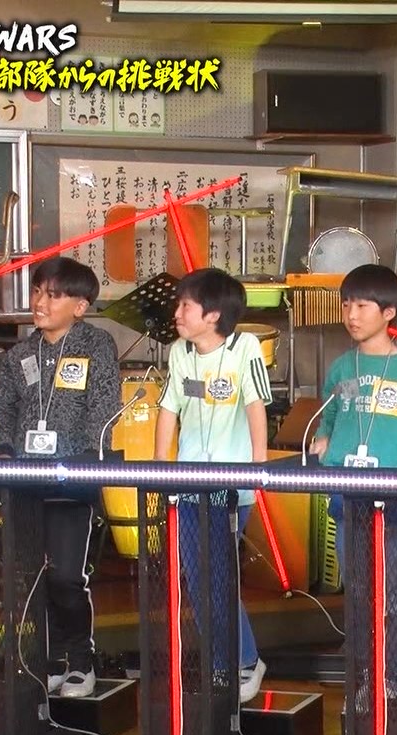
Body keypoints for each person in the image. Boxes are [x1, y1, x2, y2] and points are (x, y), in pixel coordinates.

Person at [0, 256, 120, 698]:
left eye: (53, 295)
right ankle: (45, 659)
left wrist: (87, 457)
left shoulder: (96, 346)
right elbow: (5, 409)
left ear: (80, 306)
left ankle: (80, 660)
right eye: (37, 292)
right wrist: (3, 450)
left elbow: (104, 406)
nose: (40, 302)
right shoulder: (20, 354)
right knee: (31, 576)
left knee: (66, 575)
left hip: (72, 480)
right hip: (26, 479)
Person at [155, 268, 270, 703]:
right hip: (188, 485)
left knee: (219, 575)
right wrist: (159, 468)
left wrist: (259, 469)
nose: (177, 312)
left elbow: (256, 406)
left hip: (232, 486)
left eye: (186, 305)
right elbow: (168, 409)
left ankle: (245, 661)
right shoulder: (179, 352)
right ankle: (221, 661)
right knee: (198, 578)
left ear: (214, 314)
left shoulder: (245, 348)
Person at [309, 264, 397, 571]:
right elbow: (330, 414)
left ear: (389, 312)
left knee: (392, 582)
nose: (352, 315)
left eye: (362, 306)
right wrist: (323, 438)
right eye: (346, 305)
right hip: (346, 489)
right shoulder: (342, 367)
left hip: (394, 494)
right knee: (355, 580)